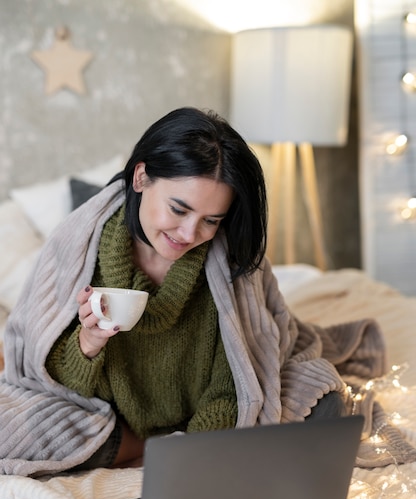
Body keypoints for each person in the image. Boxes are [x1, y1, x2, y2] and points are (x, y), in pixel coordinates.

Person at [0, 107, 389, 477]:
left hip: (202, 410)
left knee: (326, 399)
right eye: (179, 209)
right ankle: (138, 443)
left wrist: (195, 455)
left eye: (210, 220)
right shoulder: (79, 245)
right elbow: (50, 378)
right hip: (106, 414)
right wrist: (88, 341)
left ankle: (154, 446)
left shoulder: (228, 263)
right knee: (15, 429)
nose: (188, 235)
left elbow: (233, 385)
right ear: (140, 178)